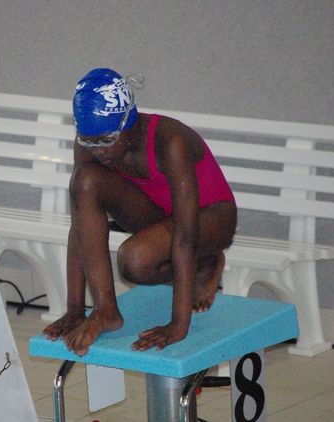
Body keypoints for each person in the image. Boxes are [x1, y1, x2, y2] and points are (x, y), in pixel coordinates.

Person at [43, 68, 236, 356]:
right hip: (160, 216)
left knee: (135, 260)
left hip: (210, 217)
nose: (98, 150)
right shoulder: (92, 143)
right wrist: (74, 310)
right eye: (89, 141)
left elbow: (186, 237)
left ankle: (206, 259)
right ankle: (106, 311)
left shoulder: (170, 141)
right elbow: (82, 225)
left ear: (128, 122)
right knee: (84, 181)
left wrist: (178, 324)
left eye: (106, 140)